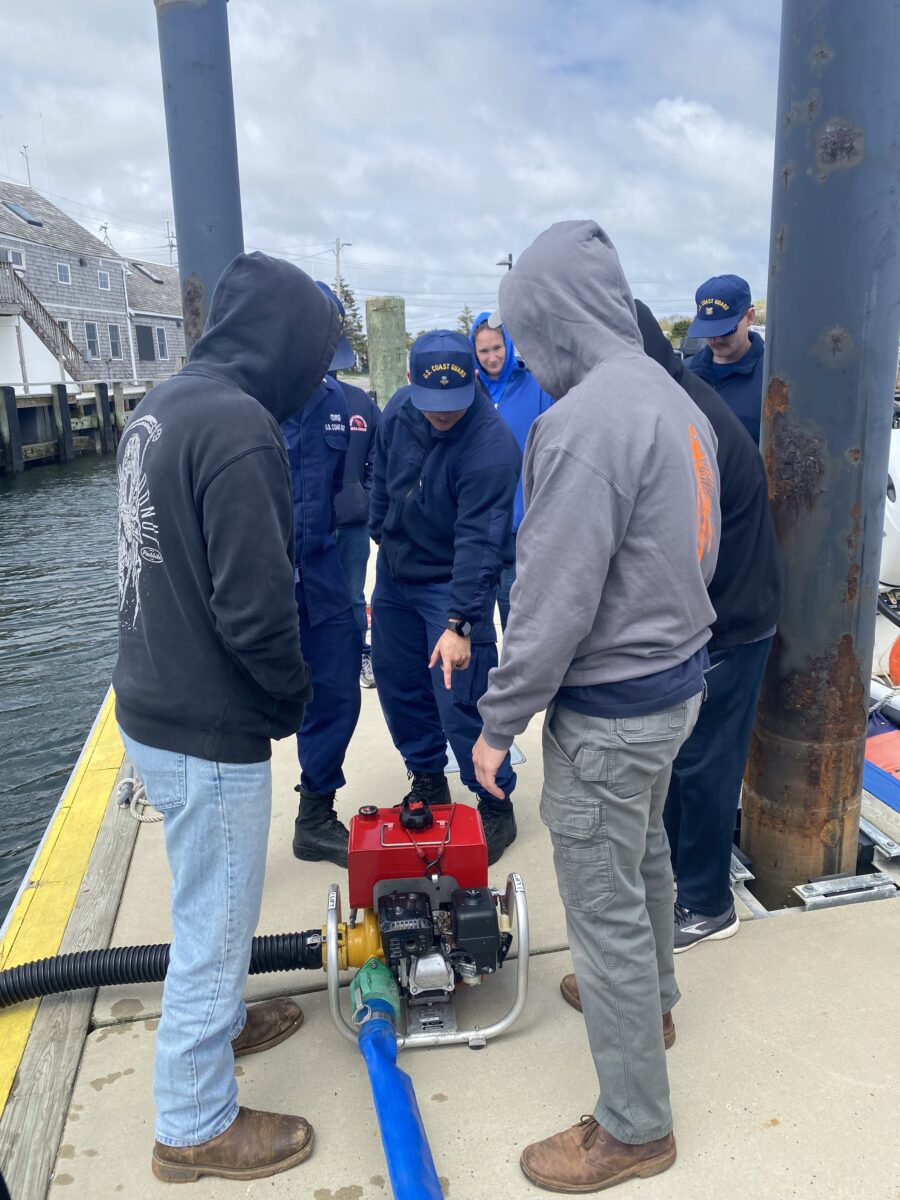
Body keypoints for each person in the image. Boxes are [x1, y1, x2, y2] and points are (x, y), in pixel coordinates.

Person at [472, 220, 721, 1193]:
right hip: (677, 689)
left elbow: (549, 603)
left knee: (602, 908)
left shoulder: (580, 426)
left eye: (524, 333)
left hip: (611, 714)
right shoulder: (673, 400)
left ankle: (634, 1124)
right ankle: (653, 1003)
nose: (526, 355)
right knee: (647, 854)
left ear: (550, 319)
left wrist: (497, 725)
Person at [113, 252, 341, 1182]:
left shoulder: (161, 407)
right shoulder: (243, 429)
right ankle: (194, 1122)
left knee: (203, 893)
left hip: (150, 703)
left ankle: (224, 1021)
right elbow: (256, 605)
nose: (314, 381)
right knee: (216, 920)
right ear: (285, 343)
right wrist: (290, 697)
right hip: (208, 727)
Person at [633, 301, 781, 950]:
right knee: (679, 760)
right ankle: (676, 879)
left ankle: (706, 903)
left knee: (704, 765)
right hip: (709, 613)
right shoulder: (674, 397)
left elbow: (680, 547)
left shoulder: (685, 423)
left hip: (732, 619)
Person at [369, 329, 521, 864]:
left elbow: (482, 542)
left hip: (449, 582)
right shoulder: (398, 411)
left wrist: (460, 624)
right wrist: (381, 532)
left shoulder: (492, 446)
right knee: (398, 681)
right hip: (395, 574)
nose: (441, 414)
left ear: (473, 379)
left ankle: (494, 799)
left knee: (462, 694)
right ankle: (428, 777)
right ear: (411, 381)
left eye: (453, 403)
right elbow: (381, 477)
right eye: (431, 403)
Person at [283, 283, 363, 869]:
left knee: (336, 692)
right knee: (243, 701)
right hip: (259, 580)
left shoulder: (347, 404)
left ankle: (314, 815)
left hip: (327, 578)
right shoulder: (250, 402)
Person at [469, 311, 553, 629]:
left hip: (520, 523)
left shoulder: (536, 385)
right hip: (476, 522)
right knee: (471, 618)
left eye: (497, 348)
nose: (492, 357)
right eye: (483, 351)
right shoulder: (466, 390)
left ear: (508, 344)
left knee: (517, 615)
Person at [329, 302, 380, 689]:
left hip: (352, 524)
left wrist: (367, 500)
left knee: (353, 597)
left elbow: (378, 461)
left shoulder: (362, 402)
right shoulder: (285, 403)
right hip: (303, 525)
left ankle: (359, 652)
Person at [683, 274, 765, 443]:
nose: (716, 339)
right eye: (709, 330)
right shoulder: (684, 375)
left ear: (750, 317)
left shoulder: (772, 378)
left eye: (726, 329)